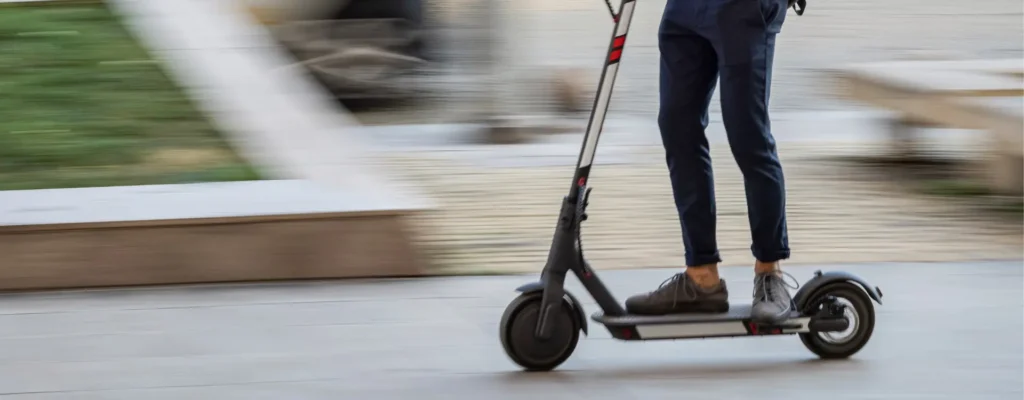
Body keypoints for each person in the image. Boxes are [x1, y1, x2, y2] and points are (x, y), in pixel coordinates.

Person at [624, 0, 796, 323]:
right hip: (683, 10)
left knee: (748, 134)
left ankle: (770, 272)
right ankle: (702, 278)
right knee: (677, 126)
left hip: (743, 8)